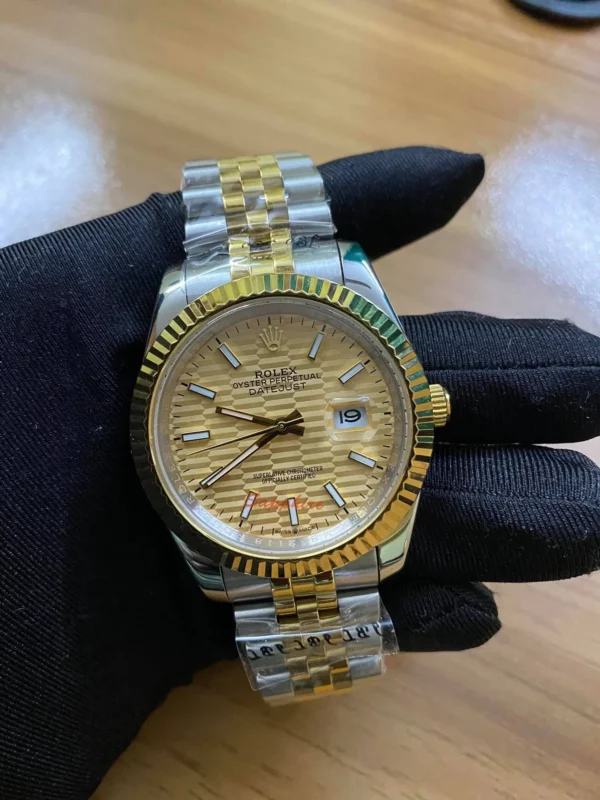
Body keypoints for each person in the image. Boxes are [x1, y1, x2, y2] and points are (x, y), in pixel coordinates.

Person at [1, 147, 599, 800]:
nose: (286, 427)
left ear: (426, 406)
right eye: (278, 426)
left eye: (286, 424)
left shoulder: (358, 329)